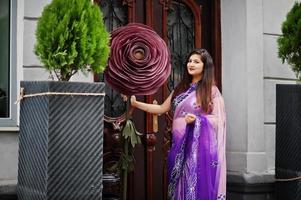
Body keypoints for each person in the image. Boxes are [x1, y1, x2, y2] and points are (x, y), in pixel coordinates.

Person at [131, 48, 226, 200]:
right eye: (189, 61)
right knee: (179, 184)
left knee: (196, 185)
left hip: (200, 150)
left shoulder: (211, 91)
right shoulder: (180, 89)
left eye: (196, 62)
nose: (191, 64)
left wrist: (198, 120)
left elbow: (218, 120)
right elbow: (161, 108)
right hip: (179, 145)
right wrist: (137, 104)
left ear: (205, 66)